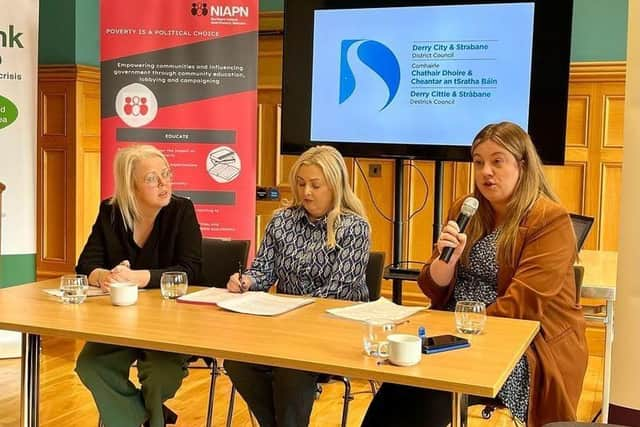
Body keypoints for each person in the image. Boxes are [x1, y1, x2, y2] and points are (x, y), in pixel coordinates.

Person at [361, 122, 588, 427]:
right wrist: (447, 262)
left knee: (425, 395)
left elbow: (522, 305)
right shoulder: (467, 208)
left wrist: (461, 332)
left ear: (522, 165)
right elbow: (432, 286)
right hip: (454, 335)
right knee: (397, 392)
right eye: (478, 162)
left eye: (497, 161)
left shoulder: (549, 220)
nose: (485, 172)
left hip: (520, 344)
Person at [224, 145, 370, 427]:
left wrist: (289, 311)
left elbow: (337, 292)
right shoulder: (282, 220)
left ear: (335, 186)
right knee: (237, 361)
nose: (306, 193)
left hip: (334, 328)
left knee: (290, 368)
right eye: (301, 184)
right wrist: (248, 281)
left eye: (316, 185)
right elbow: (264, 269)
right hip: (284, 327)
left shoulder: (354, 227)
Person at [74, 145, 202, 427]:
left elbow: (190, 270)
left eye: (166, 174)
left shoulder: (181, 211)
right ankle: (146, 419)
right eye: (152, 178)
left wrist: (137, 277)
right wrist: (104, 277)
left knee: (160, 377)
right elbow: (85, 264)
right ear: (131, 186)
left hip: (171, 326)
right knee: (90, 365)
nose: (164, 183)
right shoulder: (111, 211)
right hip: (120, 325)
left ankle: (141, 418)